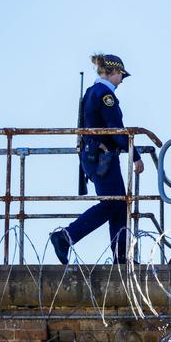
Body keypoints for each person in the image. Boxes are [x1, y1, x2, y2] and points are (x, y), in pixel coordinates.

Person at [50, 53, 144, 264]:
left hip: (99, 157)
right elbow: (115, 130)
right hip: (101, 157)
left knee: (119, 204)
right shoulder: (104, 94)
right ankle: (65, 237)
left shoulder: (94, 92)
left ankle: (121, 256)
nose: (122, 80)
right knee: (112, 204)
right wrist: (135, 155)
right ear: (113, 72)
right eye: (121, 75)